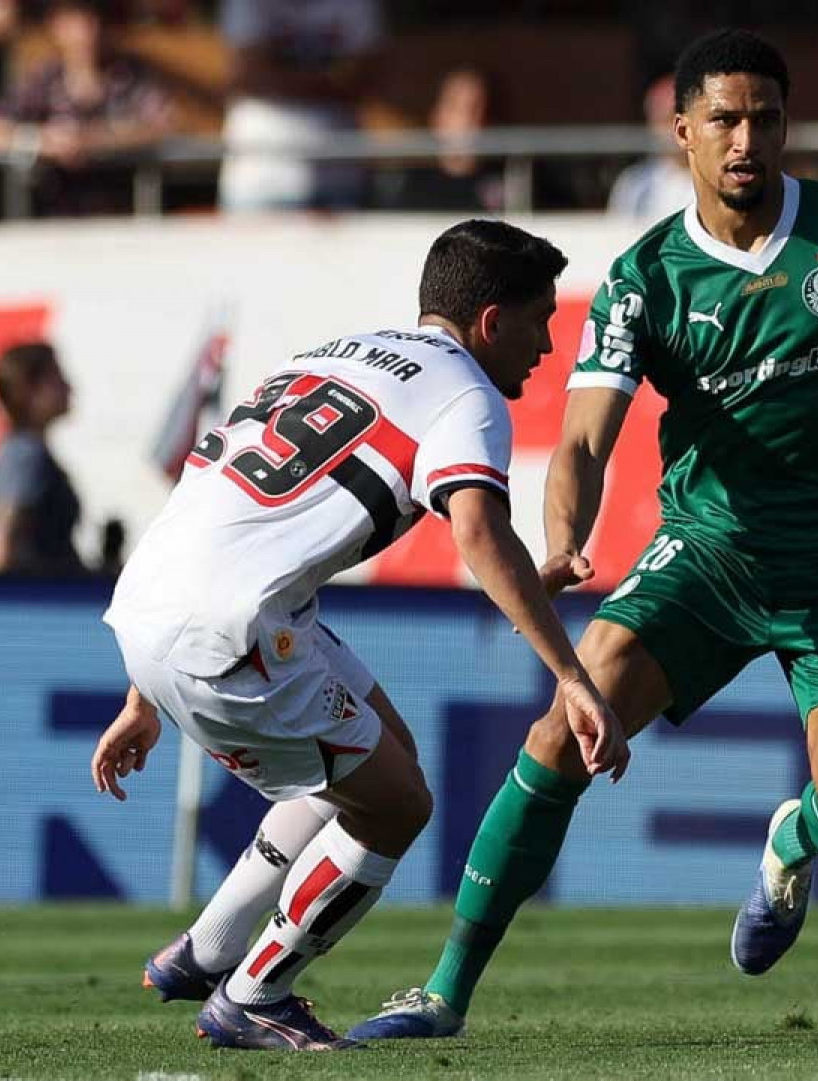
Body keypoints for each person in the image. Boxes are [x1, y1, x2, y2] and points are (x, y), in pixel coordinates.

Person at [352, 28, 818, 1040]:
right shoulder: (647, 277)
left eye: (763, 118)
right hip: (709, 553)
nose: (745, 139)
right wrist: (567, 535)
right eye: (724, 119)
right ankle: (443, 988)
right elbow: (583, 437)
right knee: (562, 731)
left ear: (786, 127)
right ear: (682, 132)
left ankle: (786, 849)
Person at [88, 220, 621, 1051]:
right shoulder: (465, 394)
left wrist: (144, 689)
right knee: (399, 803)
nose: (548, 345)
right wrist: (572, 676)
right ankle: (255, 990)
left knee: (380, 757)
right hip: (233, 627)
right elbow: (477, 529)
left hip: (155, 603)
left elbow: (210, 499)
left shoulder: (332, 352)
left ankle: (209, 946)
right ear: (489, 323)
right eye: (539, 319)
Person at [0, 0, 175, 217]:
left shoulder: (130, 77)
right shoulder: (43, 81)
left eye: (92, 19)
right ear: (56, 26)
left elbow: (162, 124)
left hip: (120, 222)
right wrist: (42, 141)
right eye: (75, 21)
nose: (86, 32)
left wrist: (96, 139)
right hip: (53, 223)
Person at [217, 0, 379, 213]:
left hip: (339, 176)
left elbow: (368, 76)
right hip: (260, 179)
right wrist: (330, 82)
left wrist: (278, 79)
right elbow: (248, 75)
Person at [0, 341, 88, 575]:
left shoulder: (17, 451)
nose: (69, 388)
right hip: (37, 605)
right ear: (29, 390)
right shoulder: (25, 454)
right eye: (57, 378)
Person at [374, 66, 502, 212]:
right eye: (457, 107)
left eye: (478, 107)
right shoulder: (411, 187)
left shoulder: (512, 182)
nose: (469, 118)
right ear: (437, 116)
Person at [605, 73, 694, 222]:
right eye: (665, 120)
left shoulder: (714, 183)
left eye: (681, 119)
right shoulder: (634, 183)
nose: (675, 129)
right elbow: (617, 236)